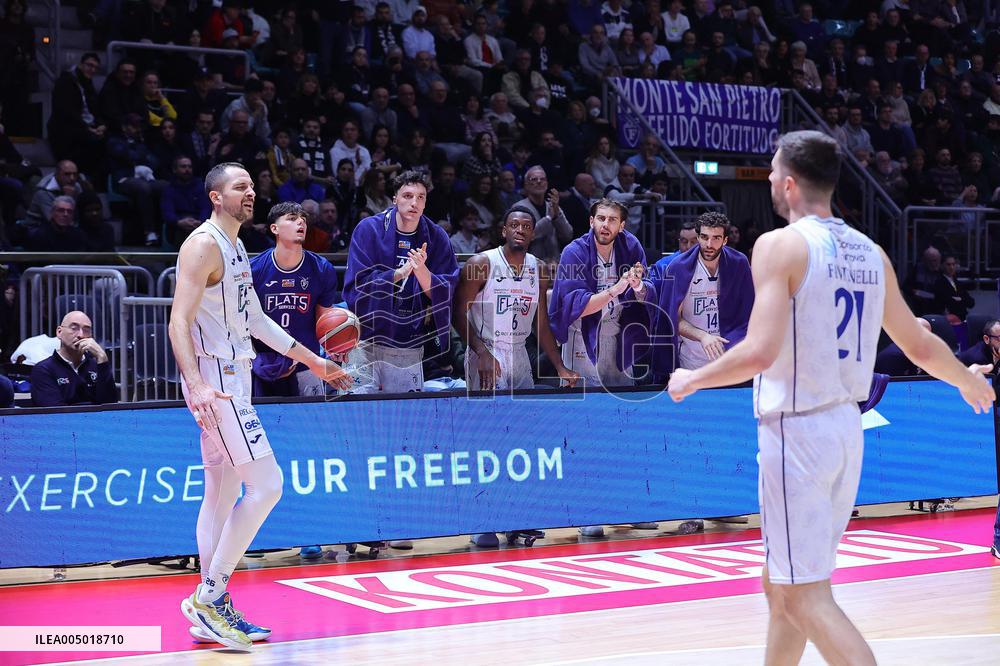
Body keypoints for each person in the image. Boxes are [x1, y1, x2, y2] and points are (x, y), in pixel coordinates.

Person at [668, 130, 993, 666]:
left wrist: (691, 379)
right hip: (845, 430)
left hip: (797, 431)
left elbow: (759, 352)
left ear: (790, 184)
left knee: (803, 593)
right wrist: (964, 378)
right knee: (783, 587)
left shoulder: (779, 245)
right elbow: (916, 341)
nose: (770, 178)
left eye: (773, 171)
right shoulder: (870, 252)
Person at [169, 162, 352, 650]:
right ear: (215, 197)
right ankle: (209, 598)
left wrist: (314, 360)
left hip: (235, 377)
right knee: (267, 485)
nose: (251, 192)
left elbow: (256, 319)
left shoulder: (236, 247)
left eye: (252, 185)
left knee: (220, 495)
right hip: (217, 385)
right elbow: (177, 322)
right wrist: (198, 385)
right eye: (239, 186)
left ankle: (214, 606)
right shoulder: (203, 244)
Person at [454, 206, 579, 547]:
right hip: (487, 352)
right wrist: (480, 352)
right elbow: (458, 312)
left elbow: (540, 323)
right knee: (486, 442)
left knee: (522, 441)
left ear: (533, 233)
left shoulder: (537, 269)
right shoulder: (481, 263)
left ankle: (518, 519)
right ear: (503, 230)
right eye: (514, 225)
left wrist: (559, 366)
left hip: (520, 354)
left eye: (527, 225)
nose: (521, 230)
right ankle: (482, 522)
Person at [343, 169, 459, 393]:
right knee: (354, 414)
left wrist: (421, 270)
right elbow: (355, 287)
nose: (414, 202)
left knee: (404, 419)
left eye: (420, 197)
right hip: (364, 339)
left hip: (408, 342)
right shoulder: (368, 230)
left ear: (425, 203)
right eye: (407, 196)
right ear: (394, 198)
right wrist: (398, 274)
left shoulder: (437, 237)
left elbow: (446, 291)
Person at [657, 212, 754, 378]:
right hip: (691, 360)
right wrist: (703, 336)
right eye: (704, 237)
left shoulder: (739, 263)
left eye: (716, 238)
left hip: (729, 358)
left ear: (725, 240)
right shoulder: (677, 268)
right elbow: (672, 318)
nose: (709, 244)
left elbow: (749, 312)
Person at [30, 310, 118, 407]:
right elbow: (55, 413)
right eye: (74, 328)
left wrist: (103, 358)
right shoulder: (43, 369)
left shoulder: (98, 365)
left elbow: (111, 406)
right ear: (59, 332)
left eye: (86, 330)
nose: (80, 335)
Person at [514, 166, 574, 264]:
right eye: (534, 179)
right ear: (526, 185)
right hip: (529, 265)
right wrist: (549, 218)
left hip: (554, 265)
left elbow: (568, 235)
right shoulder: (518, 209)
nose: (539, 181)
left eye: (542, 179)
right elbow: (524, 236)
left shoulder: (552, 206)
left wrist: (557, 216)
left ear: (546, 184)